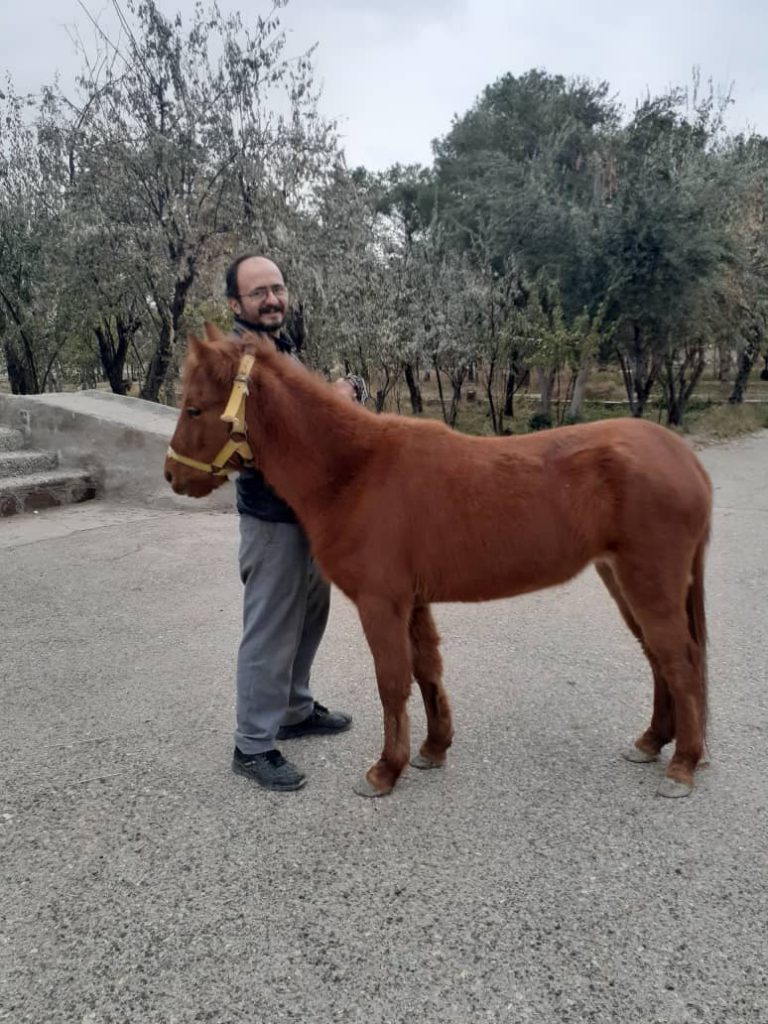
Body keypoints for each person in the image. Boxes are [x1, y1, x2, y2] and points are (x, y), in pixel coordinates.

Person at [224, 254, 366, 792]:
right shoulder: (239, 359)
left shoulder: (280, 349)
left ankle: (293, 708)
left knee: (309, 614)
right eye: (258, 292)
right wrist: (333, 403)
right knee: (269, 627)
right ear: (236, 304)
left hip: (308, 514)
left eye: (277, 288)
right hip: (271, 518)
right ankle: (252, 746)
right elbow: (259, 435)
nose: (272, 299)